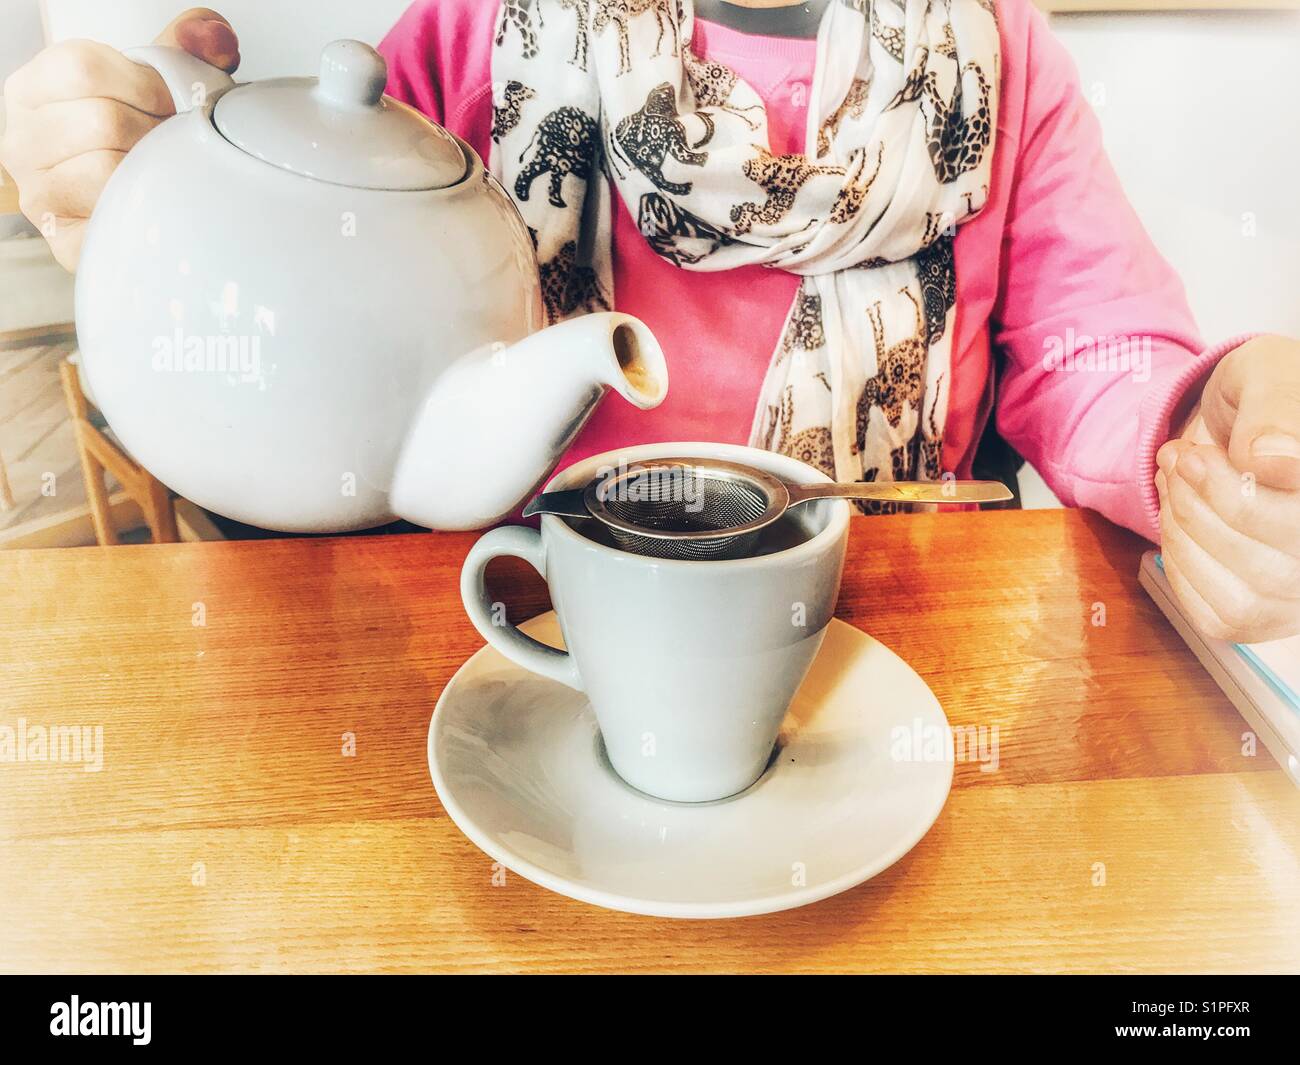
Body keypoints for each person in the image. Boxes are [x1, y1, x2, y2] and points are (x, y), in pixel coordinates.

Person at [3, 0, 1299, 643]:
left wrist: (1210, 428)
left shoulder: (1006, 55)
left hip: (886, 653)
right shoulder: (477, 30)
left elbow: (1096, 354)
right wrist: (146, 184)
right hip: (519, 637)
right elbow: (323, 295)